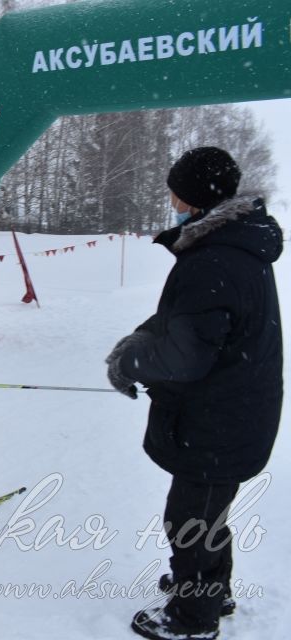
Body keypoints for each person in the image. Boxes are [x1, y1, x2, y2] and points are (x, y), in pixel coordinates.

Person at [106, 147, 283, 640]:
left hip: (219, 420)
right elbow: (184, 321)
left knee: (191, 521)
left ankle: (192, 619)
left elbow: (187, 355)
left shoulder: (217, 258)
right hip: (232, 413)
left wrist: (129, 363)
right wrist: (139, 342)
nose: (170, 198)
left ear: (191, 197)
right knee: (207, 513)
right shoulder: (229, 246)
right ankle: (212, 590)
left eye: (174, 190)